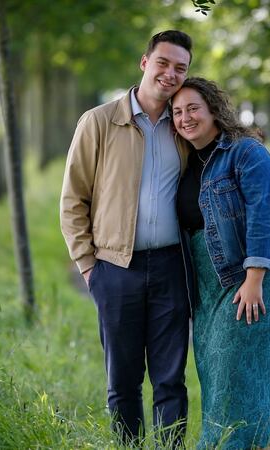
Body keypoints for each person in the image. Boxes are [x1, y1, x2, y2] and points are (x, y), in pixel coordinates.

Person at [60, 30, 193, 445]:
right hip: (115, 268)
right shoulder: (99, 122)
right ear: (144, 63)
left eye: (180, 68)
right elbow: (72, 199)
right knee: (123, 381)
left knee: (171, 381)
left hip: (173, 267)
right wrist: (88, 266)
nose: (170, 74)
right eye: (164, 63)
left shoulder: (186, 124)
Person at [172, 77, 270, 449]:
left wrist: (254, 277)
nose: (185, 118)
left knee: (234, 374)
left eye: (193, 108)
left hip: (252, 279)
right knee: (218, 376)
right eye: (178, 111)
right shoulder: (184, 160)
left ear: (214, 109)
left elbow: (266, 215)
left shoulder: (245, 152)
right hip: (208, 287)